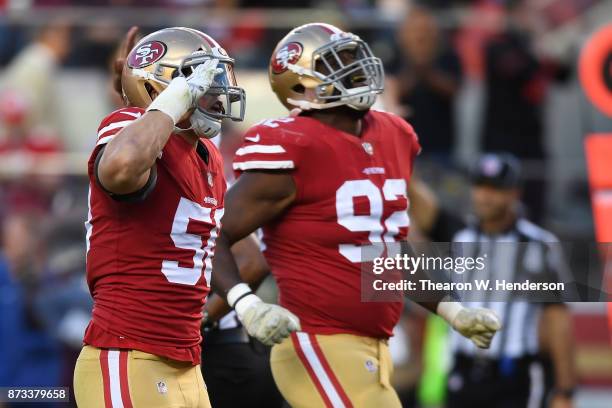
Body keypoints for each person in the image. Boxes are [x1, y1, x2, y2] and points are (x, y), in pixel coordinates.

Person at [212, 23, 501, 407]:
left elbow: (385, 253)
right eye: (340, 63)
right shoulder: (294, 146)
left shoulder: (392, 134)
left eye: (355, 58)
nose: (358, 68)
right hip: (318, 343)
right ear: (301, 85)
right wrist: (246, 303)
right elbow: (212, 233)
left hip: (371, 349)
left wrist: (452, 309)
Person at [73, 27, 299, 408]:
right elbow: (123, 165)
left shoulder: (206, 154)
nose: (216, 94)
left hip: (186, 360)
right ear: (167, 87)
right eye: (201, 82)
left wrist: (242, 304)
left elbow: (242, 254)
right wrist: (166, 100)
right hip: (129, 354)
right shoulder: (126, 125)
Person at [409, 153, 576, 408]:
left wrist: (565, 389)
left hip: (515, 374)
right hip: (463, 369)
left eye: (495, 188)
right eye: (480, 186)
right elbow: (420, 204)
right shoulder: (459, 236)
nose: (485, 195)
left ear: (514, 193)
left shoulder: (538, 245)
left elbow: (557, 318)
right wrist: (396, 147)